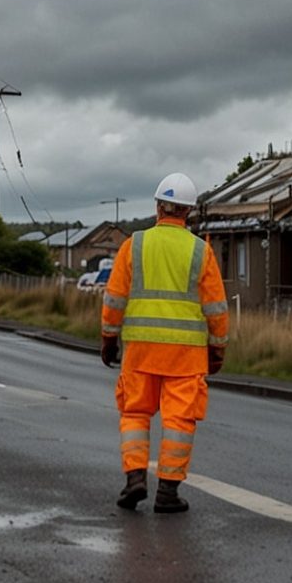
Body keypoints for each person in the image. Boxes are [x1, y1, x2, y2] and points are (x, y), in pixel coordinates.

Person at [100, 172, 229, 513]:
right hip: (185, 358)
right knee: (179, 422)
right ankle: (168, 493)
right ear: (189, 212)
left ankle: (135, 478)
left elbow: (113, 300)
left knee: (135, 414)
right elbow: (216, 308)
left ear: (158, 206)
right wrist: (217, 349)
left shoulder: (134, 245)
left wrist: (108, 340)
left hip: (140, 352)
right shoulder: (201, 252)